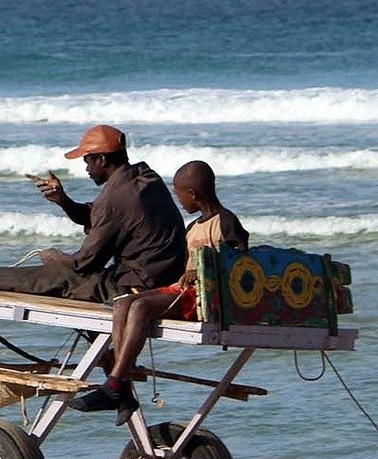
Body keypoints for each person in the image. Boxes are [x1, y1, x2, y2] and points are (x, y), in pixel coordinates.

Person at [70, 160, 249, 424]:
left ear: (193, 195)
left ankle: (115, 384)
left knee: (141, 308)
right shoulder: (192, 228)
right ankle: (121, 389)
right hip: (183, 291)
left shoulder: (225, 221)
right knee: (123, 302)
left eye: (179, 195)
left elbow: (242, 266)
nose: (179, 202)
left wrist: (201, 272)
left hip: (206, 298)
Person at [0, 125, 187, 306]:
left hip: (137, 289)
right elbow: (98, 216)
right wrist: (63, 200)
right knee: (71, 275)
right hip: (161, 278)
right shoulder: (144, 178)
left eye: (88, 161)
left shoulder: (114, 197)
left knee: (58, 276)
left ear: (102, 159)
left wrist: (54, 257)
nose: (86, 169)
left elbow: (85, 263)